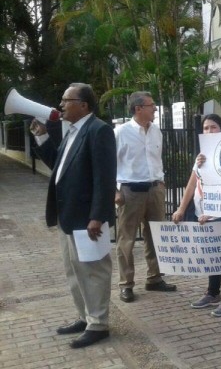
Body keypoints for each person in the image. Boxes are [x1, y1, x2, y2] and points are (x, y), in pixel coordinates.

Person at [30, 83, 116, 348]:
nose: (61, 105)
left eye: (67, 100)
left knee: (93, 272)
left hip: (87, 219)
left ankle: (98, 324)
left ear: (84, 105)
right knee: (74, 271)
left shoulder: (99, 130)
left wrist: (98, 216)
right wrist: (43, 137)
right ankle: (84, 316)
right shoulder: (73, 131)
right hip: (68, 216)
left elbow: (105, 177)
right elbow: (59, 166)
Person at [172, 114, 221, 317]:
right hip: (203, 213)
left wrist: (213, 213)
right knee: (212, 253)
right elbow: (192, 184)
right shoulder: (201, 156)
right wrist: (181, 209)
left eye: (214, 127)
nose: (210, 131)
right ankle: (212, 293)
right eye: (206, 128)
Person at [114, 91, 176, 303]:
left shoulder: (156, 131)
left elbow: (156, 159)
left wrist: (161, 181)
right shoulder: (120, 132)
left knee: (156, 236)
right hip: (130, 192)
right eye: (151, 105)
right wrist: (115, 190)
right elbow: (109, 163)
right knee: (126, 240)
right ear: (138, 108)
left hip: (154, 189)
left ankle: (155, 278)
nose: (155, 109)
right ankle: (126, 284)